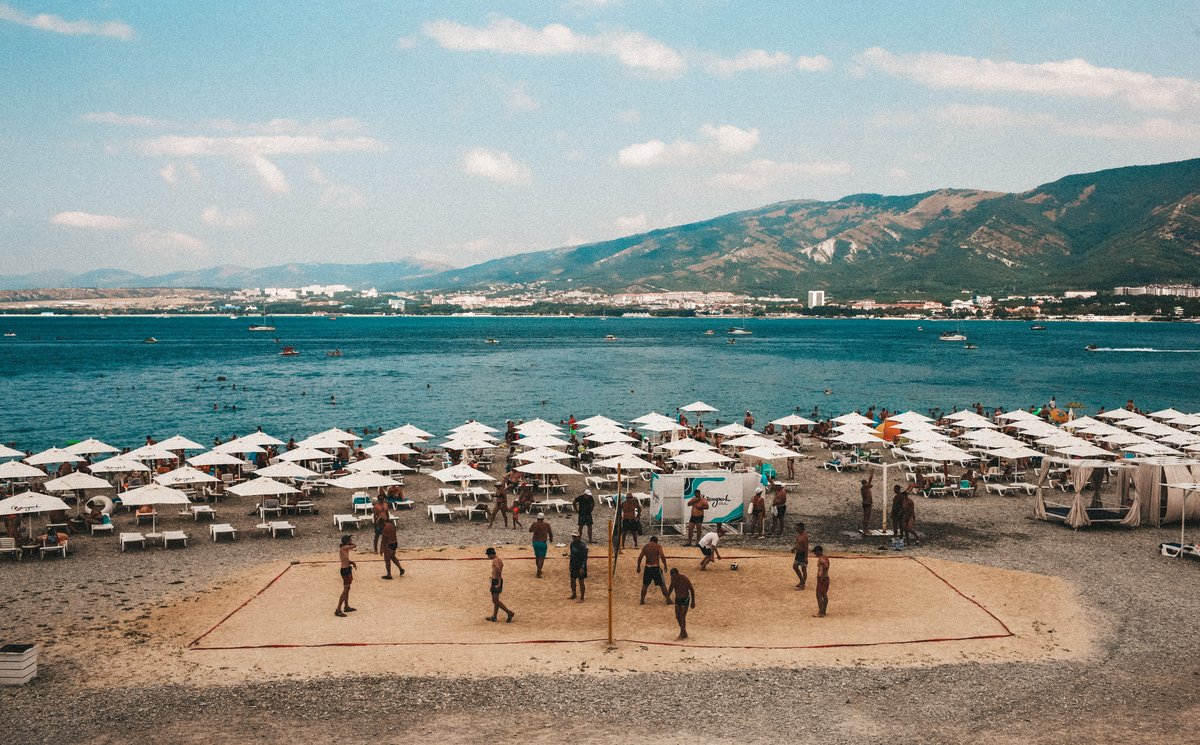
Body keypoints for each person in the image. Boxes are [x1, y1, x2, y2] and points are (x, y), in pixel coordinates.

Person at [636, 536, 671, 605]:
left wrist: (638, 567)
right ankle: (668, 600)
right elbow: (662, 556)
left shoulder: (646, 547)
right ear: (656, 541)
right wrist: (665, 565)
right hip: (655, 567)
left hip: (647, 567)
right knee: (662, 585)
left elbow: (640, 557)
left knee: (645, 585)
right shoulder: (658, 546)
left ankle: (642, 600)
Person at [485, 547, 514, 623]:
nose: (488, 557)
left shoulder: (495, 561)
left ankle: (509, 612)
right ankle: (494, 616)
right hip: (497, 580)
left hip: (496, 581)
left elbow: (498, 570)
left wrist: (498, 582)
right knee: (496, 600)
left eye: (488, 555)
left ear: (491, 554)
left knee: (495, 600)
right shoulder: (499, 560)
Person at [666, 568, 696, 640]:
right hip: (678, 599)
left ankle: (682, 634)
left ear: (677, 574)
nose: (673, 578)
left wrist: (693, 601)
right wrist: (668, 596)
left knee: (682, 616)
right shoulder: (673, 579)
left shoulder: (684, 579)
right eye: (672, 577)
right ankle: (683, 632)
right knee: (677, 616)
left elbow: (692, 590)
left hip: (685, 598)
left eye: (674, 576)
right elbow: (671, 587)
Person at [335, 535, 357, 617]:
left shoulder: (344, 548)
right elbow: (354, 546)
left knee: (347, 589)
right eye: (350, 539)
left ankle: (346, 606)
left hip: (346, 569)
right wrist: (350, 543)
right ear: (347, 541)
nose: (351, 540)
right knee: (345, 590)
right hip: (345, 571)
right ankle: (338, 609)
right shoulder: (344, 548)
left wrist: (352, 562)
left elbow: (345, 560)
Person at [529, 512, 552, 578]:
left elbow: (530, 530)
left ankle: (538, 569)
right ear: (543, 518)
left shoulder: (534, 524)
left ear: (537, 518)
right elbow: (550, 533)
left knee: (537, 557)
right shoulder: (546, 525)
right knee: (541, 558)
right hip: (542, 543)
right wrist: (551, 539)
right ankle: (538, 572)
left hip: (535, 543)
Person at [568, 532, 588, 602]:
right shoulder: (572, 544)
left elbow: (585, 558)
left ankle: (582, 597)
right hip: (574, 564)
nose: (573, 538)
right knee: (572, 580)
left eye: (575, 537)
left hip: (580, 565)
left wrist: (582, 567)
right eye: (573, 536)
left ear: (579, 537)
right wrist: (570, 564)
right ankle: (574, 594)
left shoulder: (583, 546)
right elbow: (572, 555)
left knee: (581, 581)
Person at [813, 546, 830, 617]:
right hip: (825, 578)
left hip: (822, 579)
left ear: (819, 551)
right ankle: (823, 611)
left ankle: (821, 612)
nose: (815, 554)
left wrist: (822, 576)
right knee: (824, 594)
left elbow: (826, 566)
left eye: (815, 552)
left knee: (819, 594)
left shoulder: (821, 559)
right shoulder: (825, 557)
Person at [792, 523, 810, 589]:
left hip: (803, 554)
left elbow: (806, 547)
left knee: (803, 569)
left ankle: (803, 584)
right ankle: (802, 581)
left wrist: (806, 557)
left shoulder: (805, 536)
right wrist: (794, 548)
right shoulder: (798, 535)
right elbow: (797, 543)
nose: (796, 529)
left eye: (797, 528)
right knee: (795, 566)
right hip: (798, 553)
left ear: (801, 528)